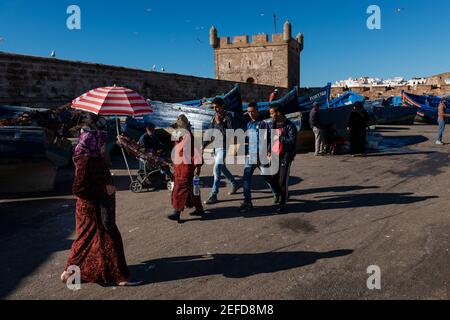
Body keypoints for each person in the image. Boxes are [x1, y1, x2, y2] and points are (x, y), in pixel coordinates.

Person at [61, 128, 141, 287]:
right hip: (93, 209)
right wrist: (104, 189)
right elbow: (78, 189)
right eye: (101, 142)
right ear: (93, 143)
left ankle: (71, 272)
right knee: (108, 239)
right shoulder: (85, 160)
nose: (103, 146)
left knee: (91, 240)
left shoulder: (90, 155)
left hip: (96, 207)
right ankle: (121, 277)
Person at [239, 102, 278, 213]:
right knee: (246, 179)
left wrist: (268, 151)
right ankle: (247, 202)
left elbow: (268, 139)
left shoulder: (263, 124)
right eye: (249, 111)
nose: (250, 113)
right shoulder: (248, 124)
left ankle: (276, 193)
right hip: (251, 156)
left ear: (257, 111)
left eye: (253, 111)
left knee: (267, 177)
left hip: (261, 155)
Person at [203, 97, 240, 205]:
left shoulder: (228, 117)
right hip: (216, 148)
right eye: (214, 107)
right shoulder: (214, 118)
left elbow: (229, 133)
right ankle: (235, 184)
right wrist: (203, 145)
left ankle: (213, 194)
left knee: (217, 168)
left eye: (217, 107)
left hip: (224, 147)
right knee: (222, 168)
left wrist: (219, 123)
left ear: (222, 106)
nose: (215, 109)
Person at [168, 115, 205, 223]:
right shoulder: (178, 137)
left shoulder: (188, 137)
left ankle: (176, 212)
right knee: (191, 190)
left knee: (180, 189)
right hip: (178, 167)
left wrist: (197, 166)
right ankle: (199, 209)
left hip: (186, 168)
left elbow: (196, 151)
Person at [267, 104, 298, 214]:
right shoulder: (272, 125)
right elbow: (271, 139)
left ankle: (282, 204)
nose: (270, 115)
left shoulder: (289, 125)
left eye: (272, 113)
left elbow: (292, 141)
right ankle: (283, 194)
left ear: (278, 113)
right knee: (272, 178)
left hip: (285, 156)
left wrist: (280, 136)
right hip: (274, 155)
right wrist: (269, 149)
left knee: (282, 181)